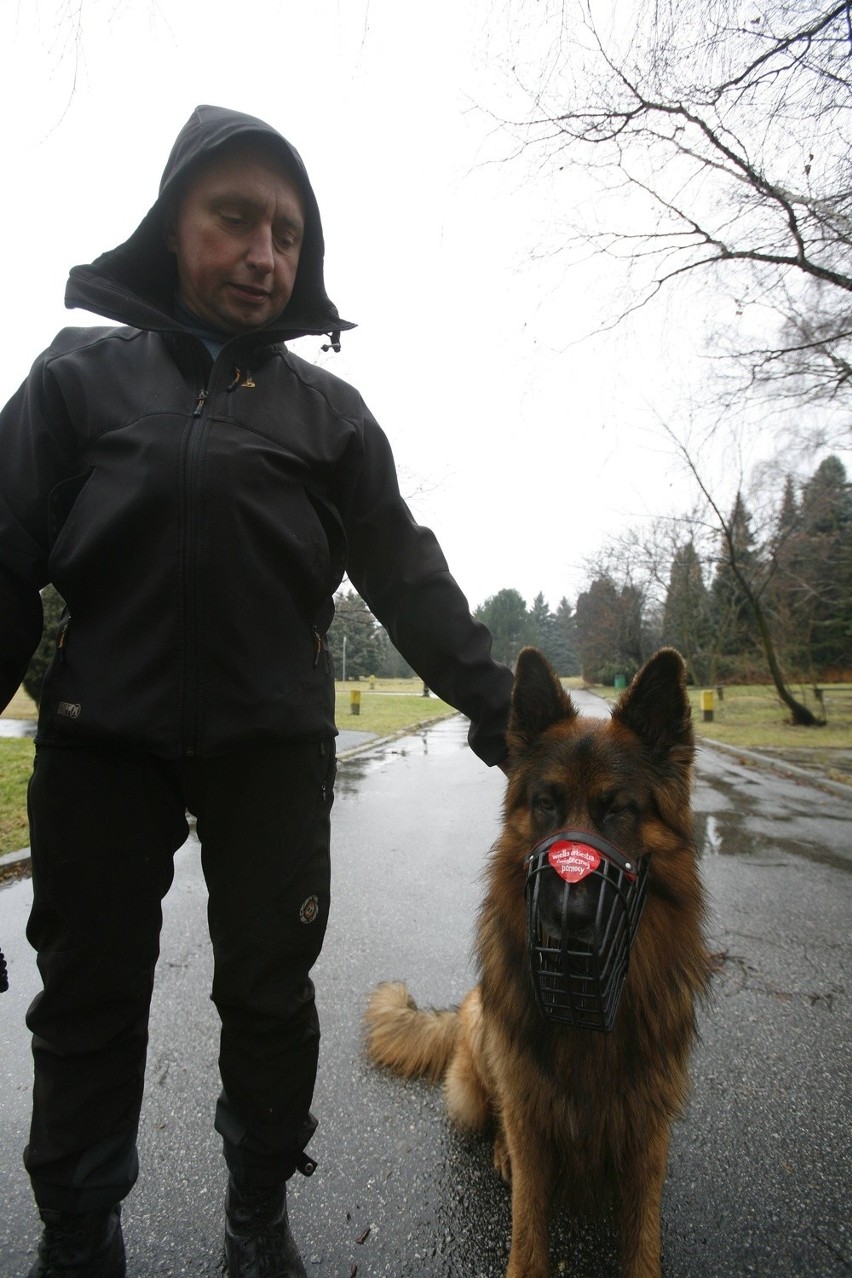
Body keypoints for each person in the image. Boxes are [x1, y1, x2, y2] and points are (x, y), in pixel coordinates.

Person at [0, 105, 514, 1278]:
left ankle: (256, 1219)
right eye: (235, 219)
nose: (265, 254)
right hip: (102, 748)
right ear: (173, 224)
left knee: (270, 1004)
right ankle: (78, 1232)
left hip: (271, 754)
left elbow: (408, 577)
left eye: (287, 233)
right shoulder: (76, 381)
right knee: (84, 1004)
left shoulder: (330, 417)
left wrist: (508, 720)